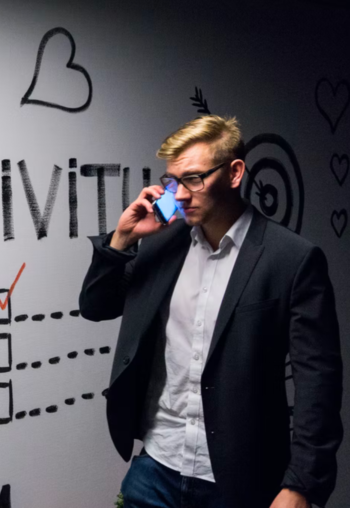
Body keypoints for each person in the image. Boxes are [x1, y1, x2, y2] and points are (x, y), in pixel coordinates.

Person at [78, 115, 343, 508]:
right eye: (173, 182)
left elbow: (318, 382)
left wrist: (301, 484)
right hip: (156, 469)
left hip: (240, 480)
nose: (180, 195)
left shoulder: (293, 259)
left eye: (194, 179)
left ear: (235, 173)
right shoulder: (161, 244)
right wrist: (123, 239)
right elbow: (95, 306)